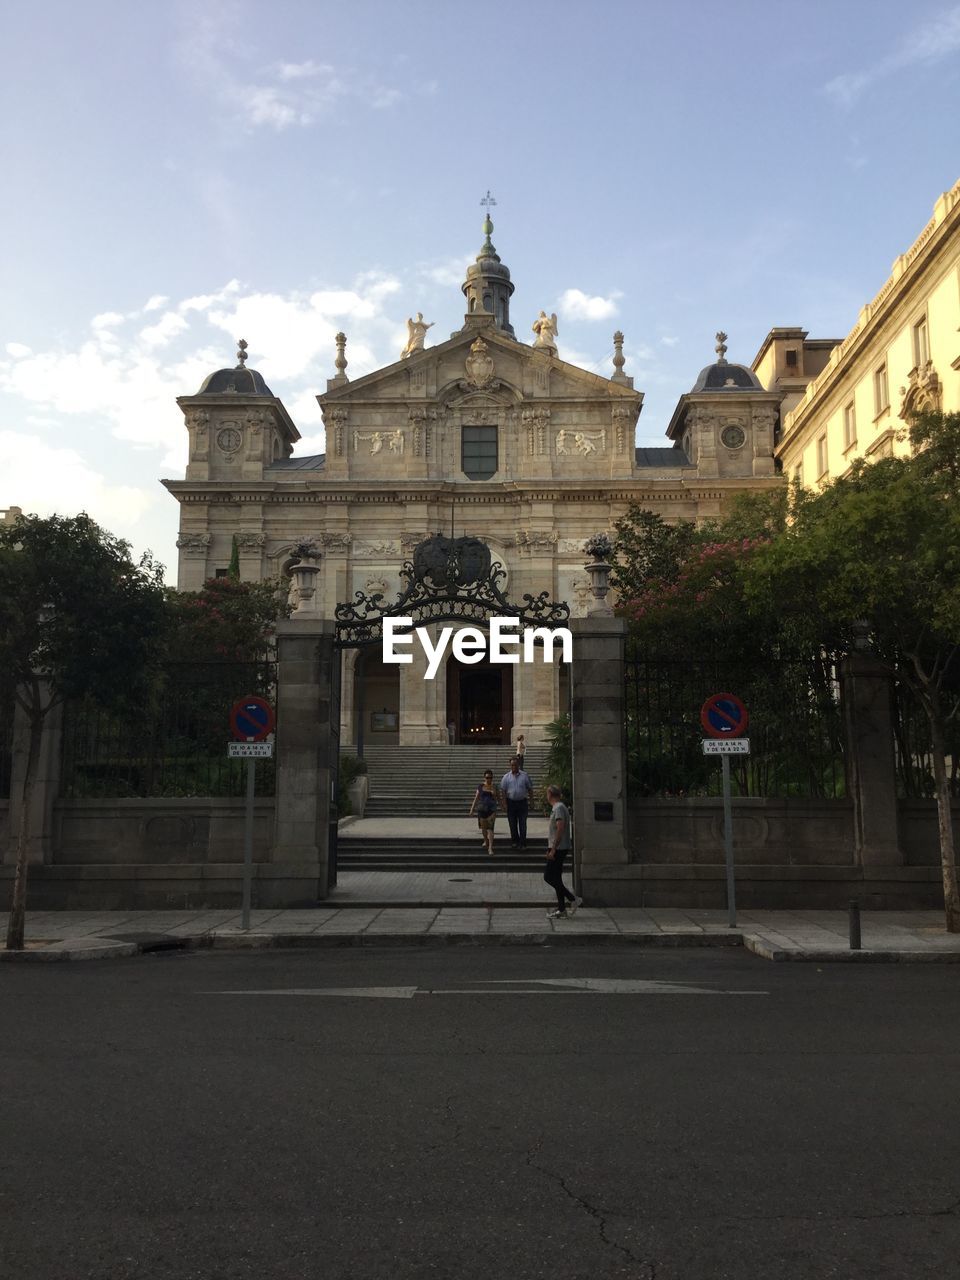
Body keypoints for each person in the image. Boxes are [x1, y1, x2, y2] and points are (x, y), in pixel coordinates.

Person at [544, 784, 581, 919]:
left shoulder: (558, 808)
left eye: (547, 794)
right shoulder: (560, 807)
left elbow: (560, 828)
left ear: (550, 795)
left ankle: (572, 899)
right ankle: (561, 909)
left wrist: (553, 849)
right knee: (557, 877)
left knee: (548, 876)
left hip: (558, 848)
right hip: (559, 847)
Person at [500, 756, 533, 848]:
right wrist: (504, 803)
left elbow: (530, 789)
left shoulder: (525, 775)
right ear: (510, 765)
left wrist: (531, 801)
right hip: (511, 803)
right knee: (512, 823)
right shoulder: (506, 777)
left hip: (522, 803)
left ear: (518, 765)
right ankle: (515, 841)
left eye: (515, 765)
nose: (514, 766)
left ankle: (522, 843)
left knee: (523, 823)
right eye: (512, 765)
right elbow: (503, 791)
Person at [468, 770, 499, 856]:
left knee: (491, 829)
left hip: (491, 810)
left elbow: (498, 798)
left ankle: (490, 848)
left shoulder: (494, 786)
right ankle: (485, 840)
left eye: (490, 777)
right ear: (484, 778)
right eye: (487, 777)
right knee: (484, 828)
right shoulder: (480, 786)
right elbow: (476, 798)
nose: (489, 779)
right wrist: (472, 809)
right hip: (482, 809)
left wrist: (502, 805)